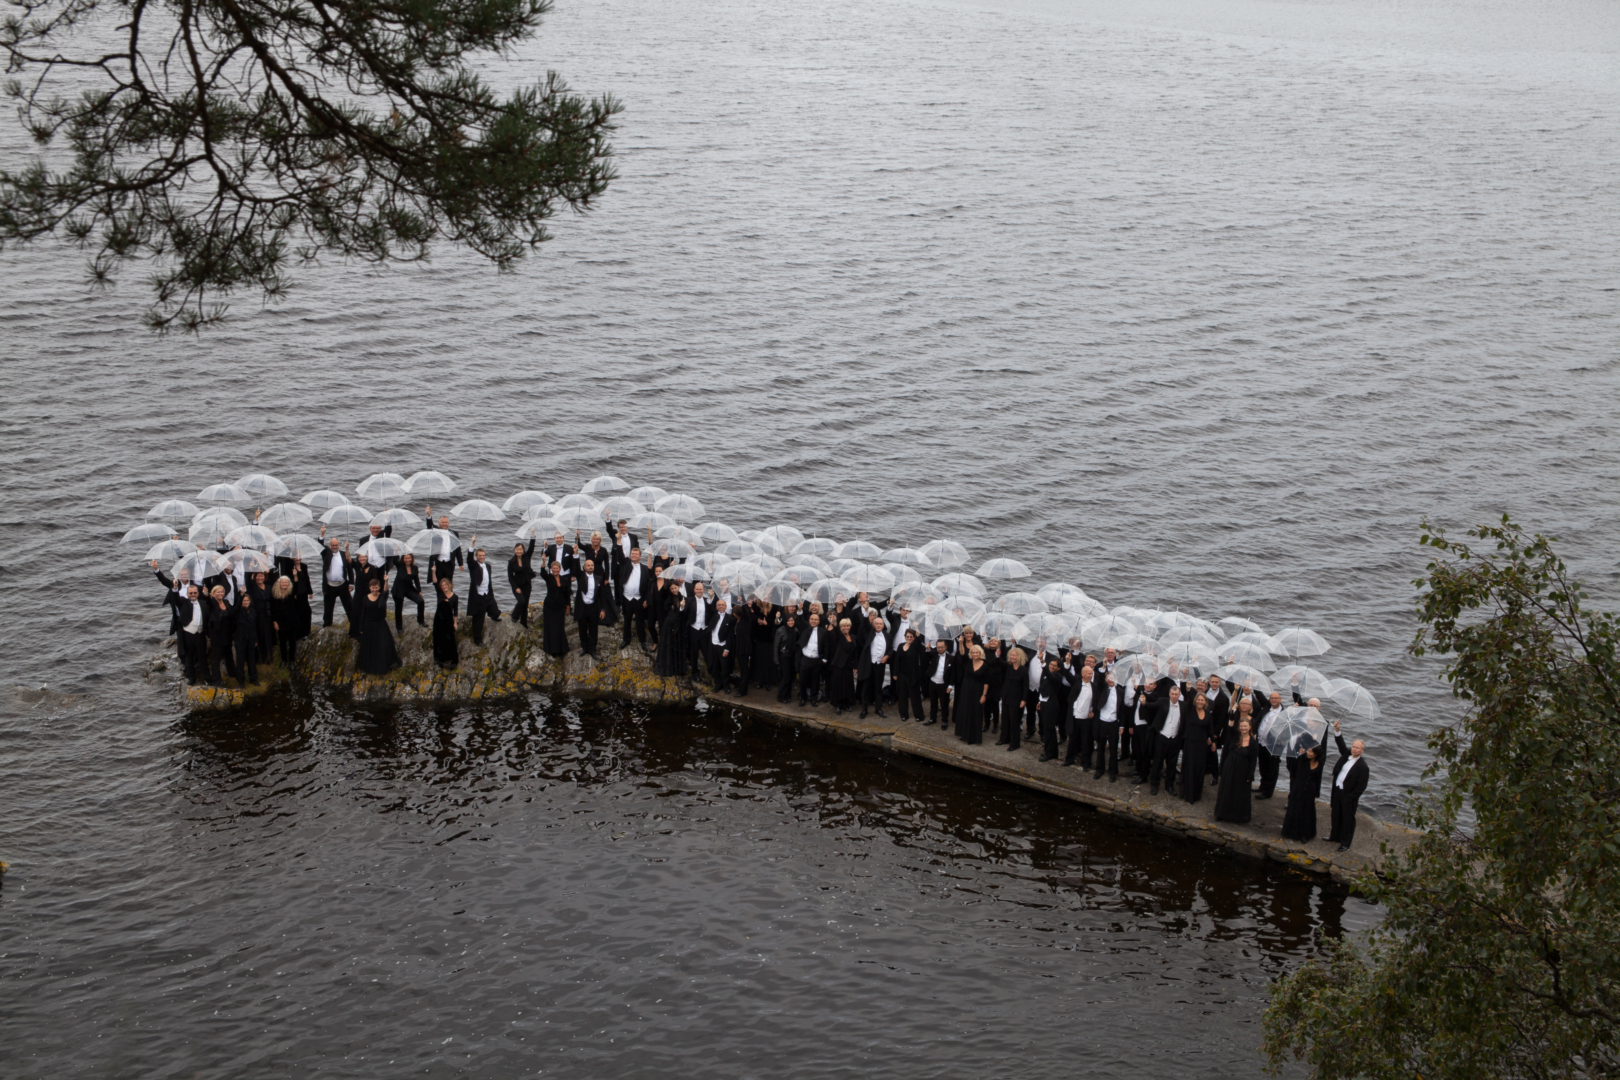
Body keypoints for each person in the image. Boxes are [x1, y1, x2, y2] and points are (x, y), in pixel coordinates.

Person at [1324, 722, 1369, 852]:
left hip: (1348, 796)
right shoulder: (1346, 754)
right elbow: (1341, 744)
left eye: (1357, 748)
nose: (1354, 749)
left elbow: (1362, 786)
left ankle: (1345, 843)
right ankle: (1334, 836)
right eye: (1353, 747)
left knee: (1348, 820)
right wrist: (1337, 730)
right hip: (1337, 790)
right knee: (1336, 814)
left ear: (1362, 751)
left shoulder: (1363, 767)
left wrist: (1351, 797)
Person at [1214, 718, 1261, 823]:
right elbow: (1230, 727)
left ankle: (1237, 817)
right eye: (1241, 726)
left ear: (1249, 727)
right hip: (1230, 766)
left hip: (1243, 769)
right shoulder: (1235, 737)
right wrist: (1231, 713)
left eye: (1245, 726)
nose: (1243, 728)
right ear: (1239, 727)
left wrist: (1250, 775)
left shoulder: (1253, 742)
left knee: (1239, 792)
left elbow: (1253, 760)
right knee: (1226, 789)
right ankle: (1221, 814)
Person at [354, 577, 401, 675]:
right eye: (373, 588)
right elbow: (363, 613)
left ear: (379, 587)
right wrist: (361, 628)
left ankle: (384, 666)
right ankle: (368, 668)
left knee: (383, 645)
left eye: (376, 588)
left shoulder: (382, 596)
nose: (374, 590)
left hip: (380, 624)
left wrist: (386, 580)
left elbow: (386, 590)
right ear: (370, 588)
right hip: (368, 624)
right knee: (369, 647)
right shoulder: (365, 598)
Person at [1281, 746, 1325, 842]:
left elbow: (1318, 778)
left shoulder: (1320, 763)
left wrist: (1317, 792)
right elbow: (1292, 768)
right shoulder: (1302, 759)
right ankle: (1291, 832)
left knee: (1307, 812)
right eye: (1308, 750)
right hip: (1298, 788)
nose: (1308, 753)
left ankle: (1305, 834)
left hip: (1310, 790)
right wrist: (1298, 755)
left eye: (1311, 751)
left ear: (1316, 754)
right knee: (1295, 809)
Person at [1148, 684, 1184, 796]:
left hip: (1175, 739)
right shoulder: (1162, 702)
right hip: (1162, 737)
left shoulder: (1184, 706)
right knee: (1157, 762)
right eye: (1172, 694)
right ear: (1169, 694)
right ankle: (1154, 784)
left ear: (1179, 695)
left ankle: (1169, 785)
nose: (1174, 696)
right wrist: (1144, 701)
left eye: (1176, 694)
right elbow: (1151, 705)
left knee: (1172, 764)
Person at [616, 546, 653, 650]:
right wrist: (619, 541)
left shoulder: (645, 569)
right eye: (632, 553)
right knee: (627, 619)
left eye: (636, 554)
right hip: (627, 597)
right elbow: (619, 554)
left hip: (639, 598)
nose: (633, 555)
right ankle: (626, 639)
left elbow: (648, 586)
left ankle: (642, 640)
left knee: (640, 621)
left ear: (640, 556)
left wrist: (646, 600)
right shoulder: (625, 565)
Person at [269, 576, 310, 667]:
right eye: (282, 582)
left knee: (292, 642)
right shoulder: (275, 595)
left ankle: (292, 661)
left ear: (289, 584)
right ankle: (284, 660)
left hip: (292, 621)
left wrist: (295, 577)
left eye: (286, 582)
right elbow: (273, 609)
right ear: (279, 584)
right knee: (282, 642)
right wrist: (274, 621)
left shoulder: (291, 593)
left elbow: (296, 587)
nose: (284, 584)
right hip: (280, 622)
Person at [1180, 692, 1213, 803]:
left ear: (1205, 702)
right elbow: (1187, 694)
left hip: (1202, 745)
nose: (1200, 702)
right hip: (1190, 743)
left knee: (1199, 768)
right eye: (1198, 700)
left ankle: (1196, 793)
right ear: (1195, 701)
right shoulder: (1189, 709)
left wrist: (1212, 741)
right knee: (1189, 767)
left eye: (1202, 700)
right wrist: (1187, 686)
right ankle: (1187, 794)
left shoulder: (1208, 713)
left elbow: (1210, 729)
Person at [856, 613, 890, 719]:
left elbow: (891, 649)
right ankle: (864, 710)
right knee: (866, 687)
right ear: (873, 625)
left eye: (881, 624)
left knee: (878, 687)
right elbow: (865, 623)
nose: (879, 625)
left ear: (883, 625)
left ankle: (878, 708)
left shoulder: (887, 635)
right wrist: (866, 611)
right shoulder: (869, 633)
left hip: (880, 665)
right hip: (869, 664)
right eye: (877, 624)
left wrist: (888, 656)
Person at [574, 557, 610, 656]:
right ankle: (584, 648)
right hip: (582, 607)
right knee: (582, 629)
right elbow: (576, 567)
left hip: (593, 607)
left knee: (593, 629)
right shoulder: (580, 576)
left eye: (592, 565)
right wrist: (576, 554)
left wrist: (603, 609)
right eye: (588, 565)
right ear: (584, 567)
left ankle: (592, 649)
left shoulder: (599, 578)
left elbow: (601, 596)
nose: (590, 567)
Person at [466, 546, 501, 645]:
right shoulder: (473, 566)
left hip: (487, 594)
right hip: (478, 596)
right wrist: (472, 545)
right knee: (479, 620)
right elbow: (469, 559)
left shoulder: (488, 566)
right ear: (476, 556)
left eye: (483, 555)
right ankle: (477, 640)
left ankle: (493, 616)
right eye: (479, 555)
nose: (481, 557)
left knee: (495, 611)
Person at [953, 645, 988, 744]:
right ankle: (964, 734)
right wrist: (960, 641)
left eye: (976, 652)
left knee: (975, 712)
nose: (975, 654)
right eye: (973, 653)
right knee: (965, 710)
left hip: (977, 691)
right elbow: (962, 652)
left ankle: (974, 737)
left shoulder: (985, 665)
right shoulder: (968, 662)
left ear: (980, 653)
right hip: (966, 689)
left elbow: (986, 682)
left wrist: (984, 695)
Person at [204, 584, 238, 686]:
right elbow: (208, 602)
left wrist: (241, 596)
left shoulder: (226, 602)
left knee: (229, 654)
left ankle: (232, 673)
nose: (220, 593)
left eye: (222, 592)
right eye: (218, 592)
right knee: (216, 657)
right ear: (214, 594)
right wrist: (206, 594)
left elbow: (233, 612)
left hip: (227, 633)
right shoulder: (212, 603)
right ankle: (216, 679)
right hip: (216, 634)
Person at [317, 532, 352, 627]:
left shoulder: (345, 554)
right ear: (330, 545)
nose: (334, 546)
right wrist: (322, 534)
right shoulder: (326, 554)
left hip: (343, 585)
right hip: (329, 586)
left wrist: (351, 583)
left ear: (339, 545)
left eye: (336, 545)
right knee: (328, 608)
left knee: (349, 607)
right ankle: (327, 626)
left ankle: (354, 625)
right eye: (332, 545)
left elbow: (350, 570)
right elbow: (320, 545)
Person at [174, 583, 207, 684]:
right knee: (189, 656)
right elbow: (176, 600)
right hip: (188, 632)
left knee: (202, 656)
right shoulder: (184, 602)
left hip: (200, 633)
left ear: (198, 593)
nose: (193, 594)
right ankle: (191, 677)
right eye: (191, 593)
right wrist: (175, 588)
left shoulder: (203, 603)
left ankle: (207, 677)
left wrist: (206, 594)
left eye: (195, 593)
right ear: (187, 594)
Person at [1254, 690, 1284, 799]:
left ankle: (1268, 792)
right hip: (1261, 742)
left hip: (1273, 746)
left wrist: (1278, 751)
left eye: (1276, 698)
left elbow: (1285, 735)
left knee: (1272, 770)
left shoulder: (1284, 714)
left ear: (1280, 699)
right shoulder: (1267, 707)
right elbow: (1259, 695)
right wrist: (1254, 682)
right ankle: (1262, 786)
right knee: (1263, 767)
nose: (1274, 700)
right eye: (1272, 698)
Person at [1064, 665, 1095, 767]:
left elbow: (1097, 701)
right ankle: (1069, 760)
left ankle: (1085, 763)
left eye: (1092, 673)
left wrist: (1093, 711)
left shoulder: (1094, 686)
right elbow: (1068, 675)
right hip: (1074, 716)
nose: (1091, 675)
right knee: (1072, 740)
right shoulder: (1076, 683)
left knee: (1086, 741)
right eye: (1089, 673)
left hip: (1086, 719)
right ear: (1083, 674)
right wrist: (1068, 663)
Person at [421, 509, 463, 585]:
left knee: (448, 585)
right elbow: (429, 525)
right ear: (439, 523)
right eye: (442, 522)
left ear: (448, 523)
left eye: (446, 522)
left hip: (449, 564)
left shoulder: (454, 533)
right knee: (437, 584)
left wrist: (461, 564)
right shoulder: (435, 531)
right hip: (438, 563)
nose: (444, 524)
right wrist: (428, 515)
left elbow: (458, 549)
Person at [892, 628, 927, 721]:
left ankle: (919, 715)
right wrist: (895, 673)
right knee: (902, 695)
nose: (909, 638)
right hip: (902, 675)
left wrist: (918, 631)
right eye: (907, 636)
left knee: (915, 696)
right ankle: (904, 714)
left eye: (911, 637)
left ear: (914, 638)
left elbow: (919, 642)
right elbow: (896, 661)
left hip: (913, 675)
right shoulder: (900, 646)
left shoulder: (916, 646)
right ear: (905, 637)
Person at [1037, 656, 1067, 760]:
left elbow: (1050, 676)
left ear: (1059, 668)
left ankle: (1049, 753)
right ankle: (1053, 752)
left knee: (1049, 730)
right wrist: (1040, 700)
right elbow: (1042, 687)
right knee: (1048, 729)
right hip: (1045, 702)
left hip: (1052, 705)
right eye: (1051, 664)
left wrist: (1042, 662)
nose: (1052, 666)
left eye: (1054, 665)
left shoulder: (1058, 676)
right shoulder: (1046, 674)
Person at [797, 611, 828, 706]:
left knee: (815, 681)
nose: (813, 621)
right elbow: (800, 621)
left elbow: (826, 646)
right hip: (805, 659)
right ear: (809, 620)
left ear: (819, 621)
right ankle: (803, 697)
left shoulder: (823, 631)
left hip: (817, 660)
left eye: (815, 619)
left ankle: (814, 698)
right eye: (812, 619)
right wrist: (800, 610)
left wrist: (825, 659)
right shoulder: (805, 628)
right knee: (802, 680)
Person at [541, 562, 572, 658]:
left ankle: (561, 650)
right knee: (550, 627)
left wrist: (568, 607)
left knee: (559, 627)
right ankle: (550, 650)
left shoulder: (565, 580)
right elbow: (542, 573)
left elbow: (567, 594)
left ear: (560, 569)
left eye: (557, 568)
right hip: (549, 606)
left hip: (560, 607)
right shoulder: (549, 578)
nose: (555, 570)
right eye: (553, 568)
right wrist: (543, 561)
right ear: (551, 569)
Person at [653, 586, 686, 676]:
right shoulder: (669, 599)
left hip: (679, 624)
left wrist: (682, 607)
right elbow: (667, 611)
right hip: (670, 624)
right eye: (672, 589)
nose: (674, 590)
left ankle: (678, 669)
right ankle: (668, 668)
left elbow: (684, 613)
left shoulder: (683, 598)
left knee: (678, 646)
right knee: (669, 646)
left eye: (675, 588)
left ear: (678, 588)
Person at [998, 648, 1026, 750]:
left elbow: (1025, 686)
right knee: (1005, 719)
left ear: (1019, 657)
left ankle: (1014, 744)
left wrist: (1024, 699)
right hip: (1006, 697)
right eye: (1011, 655)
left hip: (1016, 699)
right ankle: (1004, 738)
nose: (1012, 657)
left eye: (1014, 655)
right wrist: (998, 655)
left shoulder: (1023, 670)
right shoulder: (1009, 667)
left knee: (1014, 721)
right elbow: (1000, 663)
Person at [232, 589, 261, 687]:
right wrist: (241, 596)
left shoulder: (252, 611)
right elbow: (235, 609)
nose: (246, 602)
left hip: (251, 639)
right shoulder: (237, 612)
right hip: (240, 639)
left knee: (251, 660)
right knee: (240, 661)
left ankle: (253, 678)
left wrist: (255, 639)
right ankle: (241, 681)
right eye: (244, 601)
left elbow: (255, 627)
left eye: (247, 601)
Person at [706, 597, 736, 691]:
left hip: (723, 646)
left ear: (726, 606)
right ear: (716, 606)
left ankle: (726, 686)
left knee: (725, 668)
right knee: (715, 667)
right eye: (719, 605)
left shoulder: (730, 618)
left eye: (723, 605)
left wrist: (727, 649)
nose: (721, 606)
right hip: (713, 644)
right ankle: (717, 684)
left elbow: (730, 636)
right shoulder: (714, 615)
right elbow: (708, 608)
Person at [829, 617, 858, 714]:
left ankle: (845, 703)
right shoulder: (838, 636)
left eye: (848, 626)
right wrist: (834, 623)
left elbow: (855, 653)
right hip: (839, 664)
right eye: (844, 626)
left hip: (849, 665)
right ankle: (837, 705)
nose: (846, 628)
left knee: (848, 685)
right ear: (841, 627)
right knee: (838, 685)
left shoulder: (853, 637)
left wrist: (856, 666)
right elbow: (836, 631)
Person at [392, 551, 425, 631]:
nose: (407, 560)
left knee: (421, 601)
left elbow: (416, 580)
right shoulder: (400, 565)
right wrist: (395, 551)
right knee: (399, 609)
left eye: (409, 558)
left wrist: (419, 591)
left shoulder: (415, 567)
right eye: (406, 558)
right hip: (398, 589)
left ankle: (420, 620)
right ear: (403, 559)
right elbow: (394, 560)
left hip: (409, 588)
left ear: (412, 559)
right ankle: (399, 628)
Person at [507, 539, 536, 628]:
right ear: (515, 550)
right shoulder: (511, 562)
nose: (519, 551)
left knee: (525, 604)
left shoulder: (526, 557)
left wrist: (532, 535)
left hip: (527, 584)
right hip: (517, 585)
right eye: (517, 549)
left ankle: (524, 624)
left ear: (523, 550)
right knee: (521, 601)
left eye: (520, 549)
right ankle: (515, 616)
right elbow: (510, 578)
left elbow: (531, 547)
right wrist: (515, 588)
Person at [432, 577, 460, 668]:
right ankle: (441, 659)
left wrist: (455, 623)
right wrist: (433, 572)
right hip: (439, 620)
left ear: (449, 585)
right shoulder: (440, 593)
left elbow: (455, 612)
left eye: (445, 585)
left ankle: (453, 661)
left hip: (448, 620)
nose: (444, 587)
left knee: (450, 640)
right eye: (442, 585)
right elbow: (435, 582)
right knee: (439, 639)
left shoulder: (455, 597)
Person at [925, 639, 954, 724]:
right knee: (933, 702)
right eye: (938, 647)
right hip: (933, 682)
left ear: (946, 647)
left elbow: (953, 673)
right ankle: (932, 718)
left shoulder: (951, 658)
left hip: (944, 684)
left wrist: (950, 685)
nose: (940, 649)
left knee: (944, 704)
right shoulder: (934, 654)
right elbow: (927, 655)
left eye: (942, 647)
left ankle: (944, 720)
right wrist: (927, 648)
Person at [775, 613, 799, 703]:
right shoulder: (780, 630)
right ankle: (781, 696)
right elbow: (776, 646)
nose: (790, 622)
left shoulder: (796, 630)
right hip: (784, 656)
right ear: (785, 621)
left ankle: (788, 695)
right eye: (788, 620)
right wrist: (776, 659)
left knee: (791, 677)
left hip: (792, 656)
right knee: (785, 677)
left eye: (792, 620)